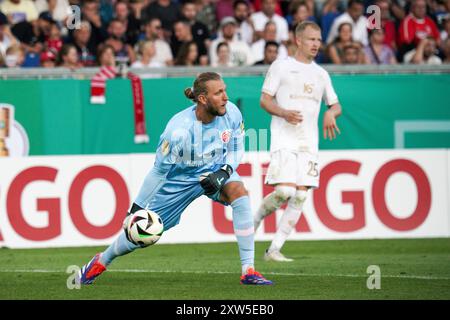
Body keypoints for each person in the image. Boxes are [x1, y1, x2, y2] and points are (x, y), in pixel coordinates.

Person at [77, 72, 273, 286]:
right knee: (144, 234)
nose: (226, 97)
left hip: (215, 171)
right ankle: (102, 260)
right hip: (179, 182)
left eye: (225, 90)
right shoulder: (178, 131)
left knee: (239, 193)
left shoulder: (231, 113)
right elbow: (158, 172)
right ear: (203, 99)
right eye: (219, 93)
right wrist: (135, 210)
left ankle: (249, 270)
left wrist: (224, 172)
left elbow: (236, 149)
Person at [253, 21, 342, 262]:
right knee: (284, 191)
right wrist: (283, 113)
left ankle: (274, 249)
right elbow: (265, 100)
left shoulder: (321, 74)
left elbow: (335, 105)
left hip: (309, 143)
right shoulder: (281, 67)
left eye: (320, 40)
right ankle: (255, 220)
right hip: (284, 139)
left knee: (300, 196)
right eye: (312, 39)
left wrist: (330, 113)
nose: (317, 44)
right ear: (298, 40)